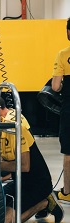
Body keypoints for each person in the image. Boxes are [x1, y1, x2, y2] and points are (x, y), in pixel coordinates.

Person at [0, 108, 64, 223]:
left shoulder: (14, 131)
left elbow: (25, 166)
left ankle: (44, 203)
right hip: (19, 182)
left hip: (38, 184)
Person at [51, 17, 70, 203]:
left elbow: (56, 87)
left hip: (69, 110)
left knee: (69, 152)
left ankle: (67, 192)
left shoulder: (63, 55)